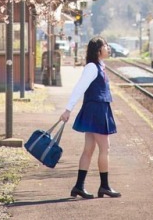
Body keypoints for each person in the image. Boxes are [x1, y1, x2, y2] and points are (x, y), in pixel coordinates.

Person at [60, 36, 121, 199]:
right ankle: (104, 186)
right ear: (98, 50)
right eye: (105, 45)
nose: (108, 48)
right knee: (104, 148)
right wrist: (68, 109)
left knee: (89, 149)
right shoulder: (92, 68)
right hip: (97, 110)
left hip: (97, 108)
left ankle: (79, 186)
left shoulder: (100, 66)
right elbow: (79, 88)